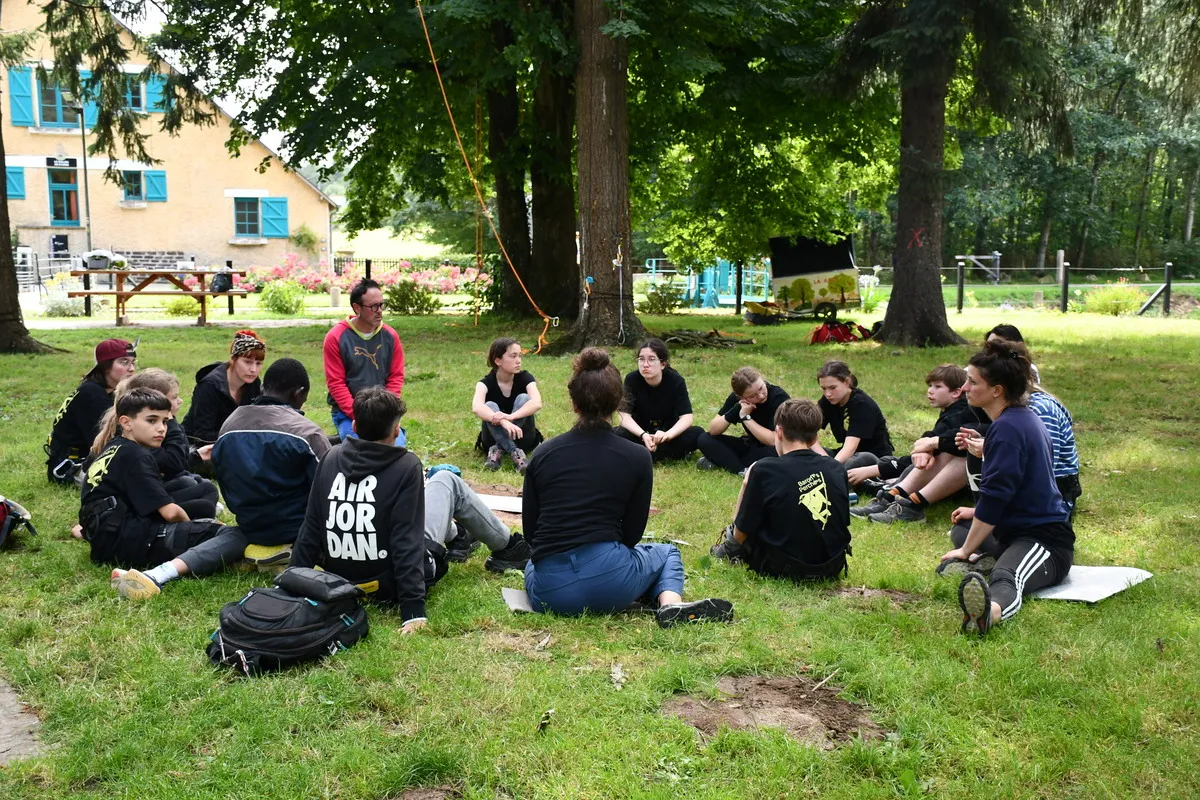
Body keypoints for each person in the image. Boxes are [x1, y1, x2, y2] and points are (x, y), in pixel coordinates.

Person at [290, 387, 531, 634]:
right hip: (388, 584)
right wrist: (413, 611)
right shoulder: (405, 465)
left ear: (353, 426)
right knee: (446, 480)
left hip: (338, 581)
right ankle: (509, 548)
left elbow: (311, 527)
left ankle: (459, 536)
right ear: (396, 430)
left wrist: (290, 582)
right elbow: (406, 540)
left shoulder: (330, 457)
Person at [522, 348, 733, 628]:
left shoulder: (542, 454)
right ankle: (669, 604)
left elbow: (531, 532)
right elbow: (632, 534)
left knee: (531, 565)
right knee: (667, 553)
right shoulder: (637, 456)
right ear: (618, 403)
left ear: (574, 403)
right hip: (613, 581)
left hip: (551, 592)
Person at [938, 340, 1074, 636]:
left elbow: (996, 498)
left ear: (996, 390)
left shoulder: (1009, 429)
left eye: (973, 382)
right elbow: (1018, 488)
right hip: (1012, 530)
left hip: (1044, 540)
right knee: (961, 527)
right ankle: (985, 559)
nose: (965, 388)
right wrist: (973, 519)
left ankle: (989, 614)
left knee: (1006, 575)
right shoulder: (1014, 420)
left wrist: (966, 550)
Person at [78, 388, 247, 600]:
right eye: (151, 420)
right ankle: (156, 575)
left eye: (165, 422)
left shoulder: (113, 447)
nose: (161, 428)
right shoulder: (136, 455)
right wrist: (191, 529)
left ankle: (217, 554)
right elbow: (171, 513)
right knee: (236, 535)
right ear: (126, 422)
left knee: (202, 508)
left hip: (105, 541)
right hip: (129, 542)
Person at [710, 399, 852, 580]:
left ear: (779, 432)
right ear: (815, 439)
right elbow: (842, 521)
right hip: (832, 566)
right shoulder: (836, 468)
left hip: (783, 567)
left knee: (749, 527)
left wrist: (747, 483)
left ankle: (729, 550)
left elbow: (744, 528)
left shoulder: (764, 470)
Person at [207, 358, 332, 555]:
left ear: (262, 388)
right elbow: (330, 490)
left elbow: (223, 478)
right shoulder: (307, 433)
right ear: (299, 393)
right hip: (297, 529)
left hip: (249, 525)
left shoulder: (229, 425)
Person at [852, 364, 974, 524]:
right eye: (930, 386)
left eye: (937, 386)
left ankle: (905, 502)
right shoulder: (957, 411)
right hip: (943, 470)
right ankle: (891, 496)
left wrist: (876, 469)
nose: (930, 391)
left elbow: (955, 438)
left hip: (967, 479)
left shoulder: (962, 410)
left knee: (924, 460)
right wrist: (927, 445)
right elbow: (942, 435)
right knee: (924, 458)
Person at [90, 369, 220, 516]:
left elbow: (166, 461)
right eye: (174, 397)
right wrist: (170, 421)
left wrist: (196, 456)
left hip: (134, 497)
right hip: (129, 504)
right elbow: (173, 464)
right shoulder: (134, 437)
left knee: (194, 481)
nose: (180, 401)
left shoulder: (136, 427)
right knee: (195, 487)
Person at [323, 279, 406, 446]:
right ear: (357, 308)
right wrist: (362, 415)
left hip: (383, 413)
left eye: (382, 305)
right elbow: (336, 384)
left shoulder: (390, 336)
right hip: (349, 413)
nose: (379, 311)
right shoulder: (336, 337)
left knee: (396, 449)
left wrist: (386, 412)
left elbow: (396, 377)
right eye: (374, 306)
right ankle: (341, 443)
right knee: (360, 448)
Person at [45, 338, 138, 485]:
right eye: (124, 362)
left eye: (133, 362)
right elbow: (106, 444)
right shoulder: (92, 394)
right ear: (106, 366)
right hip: (71, 466)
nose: (131, 368)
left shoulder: (108, 390)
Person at [615, 338, 704, 462]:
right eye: (641, 359)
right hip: (640, 433)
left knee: (698, 433)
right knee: (615, 433)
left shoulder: (676, 381)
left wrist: (667, 435)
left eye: (651, 359)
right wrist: (643, 435)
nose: (645, 364)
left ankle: (643, 454)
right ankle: (662, 454)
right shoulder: (632, 379)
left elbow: (687, 418)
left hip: (666, 434)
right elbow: (623, 416)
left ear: (663, 364)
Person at [697, 366, 790, 475]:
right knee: (704, 439)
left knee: (778, 453)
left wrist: (745, 417)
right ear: (741, 397)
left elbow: (773, 440)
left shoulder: (779, 398)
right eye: (752, 396)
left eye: (761, 388)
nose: (760, 396)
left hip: (777, 447)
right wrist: (735, 410)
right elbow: (713, 430)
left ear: (760, 377)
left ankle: (724, 461)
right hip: (751, 444)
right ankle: (741, 470)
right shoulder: (736, 400)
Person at [471, 337, 543, 473]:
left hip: (523, 438)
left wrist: (511, 417)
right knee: (489, 405)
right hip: (491, 439)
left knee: (524, 398)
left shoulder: (526, 378)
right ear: (498, 360)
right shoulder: (485, 383)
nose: (518, 360)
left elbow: (537, 403)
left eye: (520, 356)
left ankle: (499, 449)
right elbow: (477, 407)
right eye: (513, 356)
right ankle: (515, 453)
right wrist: (503, 422)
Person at [181, 329, 265, 445]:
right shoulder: (209, 387)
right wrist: (242, 436)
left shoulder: (254, 384)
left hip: (235, 444)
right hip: (194, 447)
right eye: (247, 362)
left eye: (258, 363)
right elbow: (201, 436)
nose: (253, 369)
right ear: (233, 359)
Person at [814, 360, 894, 470]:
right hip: (847, 456)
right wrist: (823, 457)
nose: (828, 394)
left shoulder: (862, 404)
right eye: (824, 389)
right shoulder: (828, 401)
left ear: (847, 382)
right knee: (806, 453)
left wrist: (830, 468)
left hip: (872, 460)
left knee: (854, 462)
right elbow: (805, 431)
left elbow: (850, 448)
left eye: (833, 388)